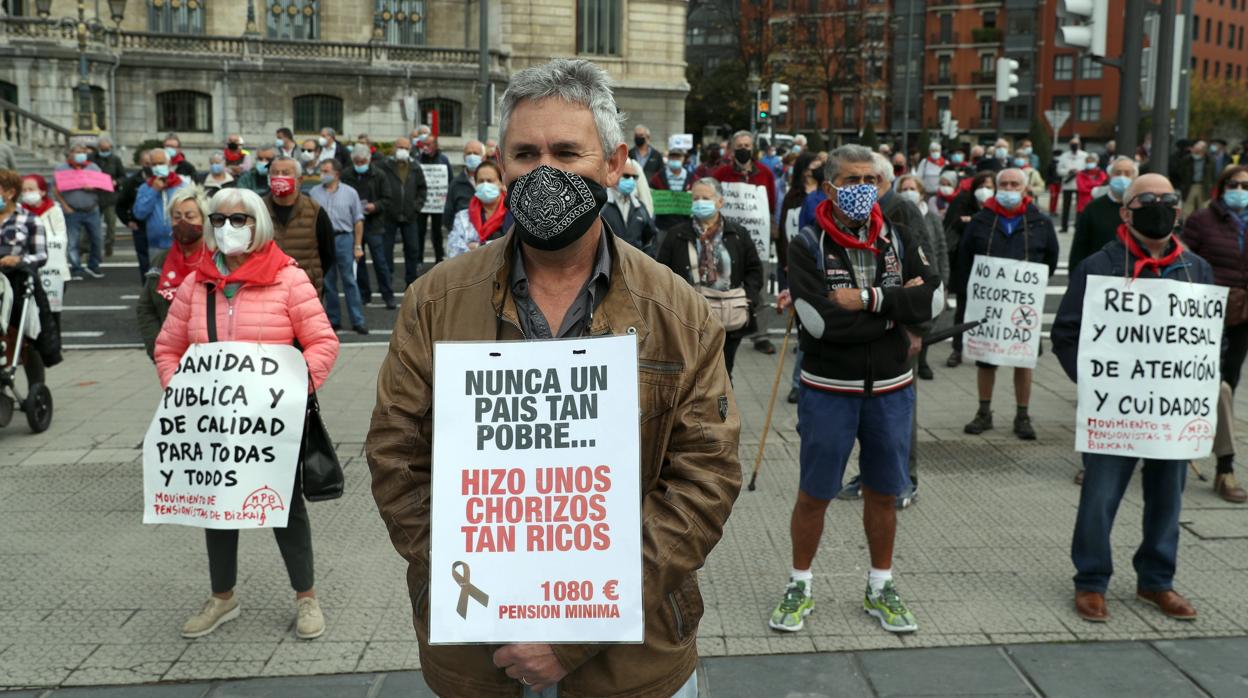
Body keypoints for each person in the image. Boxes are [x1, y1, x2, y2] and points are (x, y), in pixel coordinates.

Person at [366, 58, 739, 698]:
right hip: (480, 659)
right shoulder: (434, 302)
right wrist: (485, 597)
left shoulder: (677, 312)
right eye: (525, 153)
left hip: (631, 664)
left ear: (615, 163)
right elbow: (396, 458)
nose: (546, 171)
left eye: (568, 152)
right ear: (500, 165)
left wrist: (573, 633)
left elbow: (703, 479)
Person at [153, 187, 339, 641]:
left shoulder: (288, 279)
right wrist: (183, 392)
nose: (227, 228)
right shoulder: (197, 283)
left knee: (284, 507)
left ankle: (306, 597)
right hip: (213, 423)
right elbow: (168, 347)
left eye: (239, 220)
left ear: (259, 224)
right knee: (217, 508)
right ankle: (222, 597)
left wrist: (294, 390)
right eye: (218, 220)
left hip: (271, 424)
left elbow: (323, 343)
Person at [770, 144, 939, 635]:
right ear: (829, 187)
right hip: (828, 390)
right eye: (851, 181)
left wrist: (865, 299)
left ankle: (880, 585)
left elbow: (932, 299)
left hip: (891, 389)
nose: (862, 189)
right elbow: (819, 323)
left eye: (871, 181)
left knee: (884, 492)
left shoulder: (901, 235)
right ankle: (799, 581)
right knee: (815, 494)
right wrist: (894, 313)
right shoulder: (807, 243)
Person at [1051, 173, 1205, 624]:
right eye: (1147, 199)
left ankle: (1156, 580)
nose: (1159, 205)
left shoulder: (1197, 268)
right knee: (1099, 495)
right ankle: (1092, 581)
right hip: (1116, 409)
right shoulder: (1098, 267)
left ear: (1178, 210)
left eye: (1168, 199)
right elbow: (1066, 334)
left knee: (1168, 497)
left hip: (1170, 409)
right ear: (1126, 210)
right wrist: (1097, 384)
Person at [956, 168, 1059, 440]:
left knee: (1024, 360)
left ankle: (1022, 415)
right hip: (989, 304)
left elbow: (1050, 258)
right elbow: (965, 260)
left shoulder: (1040, 222)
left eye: (1015, 184)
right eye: (1004, 184)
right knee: (986, 361)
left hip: (1022, 306)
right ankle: (983, 412)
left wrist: (1030, 286)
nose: (1009, 188)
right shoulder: (981, 220)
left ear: (1024, 189)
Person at [1180, 165, 1248, 503]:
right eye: (1233, 184)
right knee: (1208, 384)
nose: (1240, 189)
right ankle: (1214, 460)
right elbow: (1182, 260)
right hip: (1205, 314)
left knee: (1228, 385)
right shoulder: (1202, 221)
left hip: (1242, 315)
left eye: (1245, 185)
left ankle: (1223, 466)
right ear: (1221, 187)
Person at [656, 176, 762, 377]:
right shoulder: (676, 234)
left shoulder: (738, 234)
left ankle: (722, 407)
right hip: (688, 318)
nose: (699, 203)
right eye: (695, 198)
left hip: (728, 317)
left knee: (723, 373)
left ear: (720, 202)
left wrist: (748, 299)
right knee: (693, 374)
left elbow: (754, 270)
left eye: (705, 198)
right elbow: (661, 273)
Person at [713, 130, 778, 355]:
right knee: (723, 284)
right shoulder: (721, 174)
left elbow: (770, 205)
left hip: (757, 240)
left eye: (747, 145)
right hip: (727, 241)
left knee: (757, 286)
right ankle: (721, 329)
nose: (744, 149)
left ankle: (762, 335)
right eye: (739, 145)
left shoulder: (766, 174)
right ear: (732, 150)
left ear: (753, 148)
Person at [136, 185, 209, 359]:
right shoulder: (161, 260)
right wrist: (158, 350)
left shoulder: (217, 259)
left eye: (190, 216)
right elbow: (145, 308)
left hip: (211, 357)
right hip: (172, 356)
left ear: (204, 220)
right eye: (177, 217)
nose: (182, 222)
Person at [1, 168, 56, 382]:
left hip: (18, 283)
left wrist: (19, 260)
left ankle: (36, 385)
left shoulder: (29, 220)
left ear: (10, 192)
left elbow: (41, 255)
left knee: (27, 335)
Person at [897, 174, 950, 381]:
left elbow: (941, 249)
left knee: (928, 320)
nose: (908, 192)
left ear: (920, 192)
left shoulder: (932, 218)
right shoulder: (899, 213)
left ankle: (924, 360)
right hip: (909, 278)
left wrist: (945, 281)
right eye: (904, 188)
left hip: (930, 274)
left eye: (912, 188)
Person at [943, 171, 996, 366]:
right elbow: (952, 223)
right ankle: (957, 350)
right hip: (965, 267)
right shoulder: (962, 202)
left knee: (988, 311)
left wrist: (970, 220)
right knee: (962, 310)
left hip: (991, 270)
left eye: (990, 187)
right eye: (982, 186)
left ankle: (985, 350)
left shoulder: (998, 208)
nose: (985, 191)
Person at [309, 159, 367, 334]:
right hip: (323, 240)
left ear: (337, 173)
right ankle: (333, 320)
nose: (323, 174)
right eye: (322, 170)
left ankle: (358, 320)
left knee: (349, 280)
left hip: (344, 238)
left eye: (326, 171)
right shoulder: (314, 192)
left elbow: (358, 220)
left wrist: (358, 245)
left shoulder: (350, 193)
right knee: (328, 282)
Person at [264, 156, 335, 295]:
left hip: (305, 290)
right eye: (275, 173)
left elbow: (327, 253)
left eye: (285, 173)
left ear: (299, 180)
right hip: (267, 289)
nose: (279, 177)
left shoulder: (315, 211)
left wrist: (313, 276)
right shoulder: (258, 209)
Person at [342, 144, 395, 309]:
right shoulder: (346, 175)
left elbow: (387, 198)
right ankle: (365, 294)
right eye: (357, 162)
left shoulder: (379, 174)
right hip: (355, 223)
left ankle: (388, 295)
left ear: (369, 160)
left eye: (362, 161)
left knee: (380, 261)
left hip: (374, 223)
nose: (359, 165)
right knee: (359, 261)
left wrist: (375, 206)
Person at [19, 175, 70, 337]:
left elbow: (60, 237)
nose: (27, 193)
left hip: (52, 269)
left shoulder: (54, 210)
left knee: (51, 309)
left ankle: (54, 344)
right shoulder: (19, 212)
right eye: (24, 190)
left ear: (42, 191)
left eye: (31, 189)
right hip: (27, 267)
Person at [1070, 157, 1138, 272]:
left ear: (1135, 178)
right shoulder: (1093, 208)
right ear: (1110, 176)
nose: (1122, 177)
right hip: (1098, 275)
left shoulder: (1141, 208)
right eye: (1117, 173)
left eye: (1127, 173)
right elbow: (1079, 247)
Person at [377, 136, 429, 287]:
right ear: (394, 148)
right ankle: (387, 281)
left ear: (410, 150)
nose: (403, 151)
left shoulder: (415, 167)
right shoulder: (384, 166)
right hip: (388, 215)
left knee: (412, 249)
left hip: (410, 216)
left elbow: (422, 189)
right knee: (386, 250)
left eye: (406, 148)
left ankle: (411, 282)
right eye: (400, 147)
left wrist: (416, 207)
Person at [53, 144, 105, 280]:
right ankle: (76, 267)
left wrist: (93, 188)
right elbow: (56, 190)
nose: (81, 154)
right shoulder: (61, 169)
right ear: (69, 153)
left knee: (97, 239)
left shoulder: (93, 168)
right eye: (77, 151)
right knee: (73, 242)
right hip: (72, 210)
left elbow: (103, 186)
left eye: (83, 152)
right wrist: (65, 206)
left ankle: (93, 265)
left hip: (92, 209)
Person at [132, 148, 190, 255]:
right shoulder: (145, 188)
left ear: (169, 163)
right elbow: (139, 214)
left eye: (161, 163)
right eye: (154, 164)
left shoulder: (183, 186)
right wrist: (153, 191)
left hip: (180, 244)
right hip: (155, 245)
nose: (158, 167)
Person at [446, 159, 506, 258]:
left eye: (490, 181)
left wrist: (479, 246)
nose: (485, 185)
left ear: (501, 183)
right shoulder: (463, 217)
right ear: (475, 184)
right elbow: (453, 251)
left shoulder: (514, 214)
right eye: (481, 181)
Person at [601, 159, 660, 254]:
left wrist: (646, 261)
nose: (631, 180)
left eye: (634, 177)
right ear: (614, 174)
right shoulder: (601, 205)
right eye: (626, 176)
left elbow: (651, 238)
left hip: (634, 266)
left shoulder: (640, 207)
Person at [118, 150, 154, 281]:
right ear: (141, 163)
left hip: (158, 227)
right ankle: (146, 287)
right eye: (147, 163)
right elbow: (121, 204)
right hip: (140, 227)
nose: (150, 166)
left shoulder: (165, 181)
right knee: (144, 261)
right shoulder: (132, 182)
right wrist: (128, 221)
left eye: (152, 163)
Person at [416, 136, 451, 266]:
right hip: (422, 203)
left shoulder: (443, 159)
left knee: (437, 232)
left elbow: (450, 179)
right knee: (420, 231)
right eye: (423, 144)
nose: (425, 147)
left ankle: (439, 258)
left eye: (428, 144)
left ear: (435, 145)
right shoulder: (418, 159)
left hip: (438, 203)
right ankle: (419, 258)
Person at [91, 135, 126, 258]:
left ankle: (109, 244)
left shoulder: (115, 160)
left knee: (111, 225)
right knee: (92, 225)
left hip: (110, 197)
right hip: (94, 197)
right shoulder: (92, 159)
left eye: (107, 149)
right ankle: (88, 247)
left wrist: (116, 182)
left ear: (110, 147)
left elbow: (123, 176)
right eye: (102, 148)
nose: (104, 151)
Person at [443, 139, 486, 227]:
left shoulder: (493, 180)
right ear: (464, 157)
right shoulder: (455, 183)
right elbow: (448, 213)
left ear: (483, 157)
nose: (472, 156)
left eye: (476, 153)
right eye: (469, 153)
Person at [1177, 140, 1216, 216]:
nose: (1196, 151)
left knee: (1204, 209)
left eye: (1199, 150)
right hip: (1190, 186)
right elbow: (1181, 173)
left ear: (1204, 150)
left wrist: (1211, 186)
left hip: (1204, 187)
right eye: (1195, 148)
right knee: (1187, 210)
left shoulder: (1210, 160)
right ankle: (1186, 225)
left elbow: (1213, 175)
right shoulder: (1187, 159)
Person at [1057, 138, 1084, 232]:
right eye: (1072, 144)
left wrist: (1079, 172)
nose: (1074, 145)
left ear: (1079, 145)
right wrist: (1068, 171)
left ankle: (1078, 226)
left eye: (1076, 144)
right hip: (1067, 184)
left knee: (1080, 207)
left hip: (1080, 185)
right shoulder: (1064, 156)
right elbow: (1059, 171)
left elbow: (1086, 170)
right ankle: (1064, 227)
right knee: (1065, 207)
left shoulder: (1084, 155)